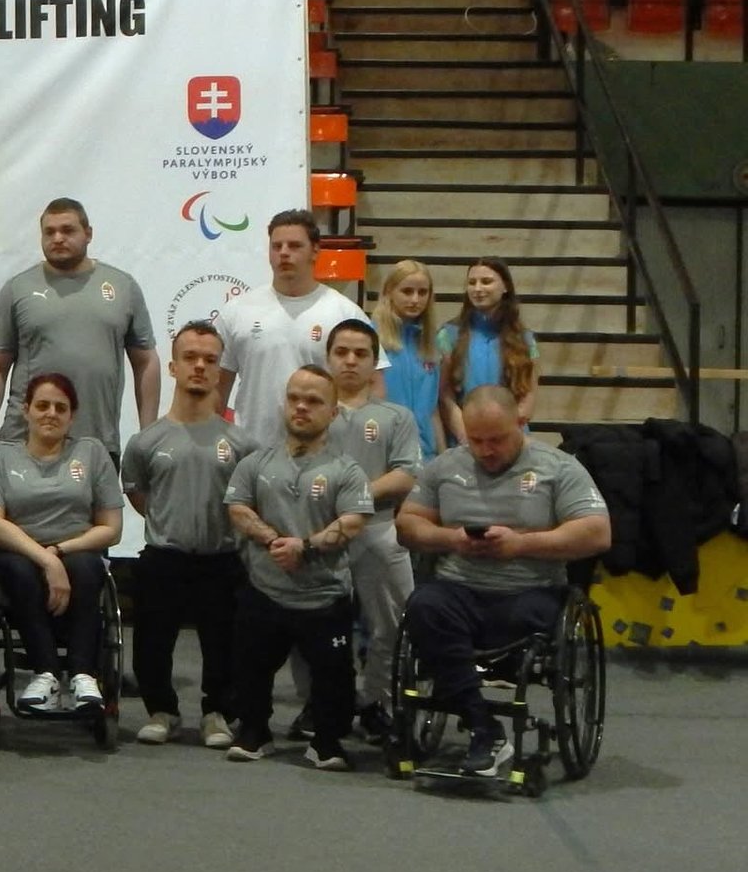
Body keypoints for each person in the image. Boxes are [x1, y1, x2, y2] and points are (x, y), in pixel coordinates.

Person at [396, 385, 610, 777]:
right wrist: (451, 538)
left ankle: (477, 718)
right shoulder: (444, 467)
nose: (486, 450)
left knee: (524, 616)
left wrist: (521, 544)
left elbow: (597, 532)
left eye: (496, 439)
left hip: (529, 592)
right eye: (476, 440)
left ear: (520, 424)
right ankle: (485, 728)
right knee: (423, 606)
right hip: (459, 590)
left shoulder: (558, 467)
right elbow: (407, 525)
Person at [222, 367, 373, 769]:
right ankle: (254, 731)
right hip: (266, 589)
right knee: (249, 667)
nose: (301, 407)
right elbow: (237, 507)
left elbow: (353, 521)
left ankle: (326, 741)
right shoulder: (256, 463)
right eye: (294, 398)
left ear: (333, 412)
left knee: (334, 678)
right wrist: (272, 539)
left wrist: (304, 547)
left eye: (313, 401)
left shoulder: (347, 471)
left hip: (324, 596)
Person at [120, 322, 259, 749]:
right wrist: (170, 519)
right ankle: (162, 711)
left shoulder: (242, 444)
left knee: (223, 643)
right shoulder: (145, 442)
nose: (200, 366)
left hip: (221, 557)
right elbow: (138, 494)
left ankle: (217, 713)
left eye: (210, 360)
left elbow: (248, 502)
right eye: (190, 358)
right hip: (165, 556)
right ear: (173, 367)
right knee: (152, 642)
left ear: (219, 371)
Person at [0, 371, 122, 716]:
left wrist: (60, 552)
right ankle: (46, 674)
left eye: (60, 407)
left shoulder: (92, 452)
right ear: (26, 410)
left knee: (88, 566)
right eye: (42, 405)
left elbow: (111, 528)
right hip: (12, 552)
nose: (51, 413)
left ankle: (83, 676)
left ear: (72, 415)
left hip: (74, 550)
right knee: (20, 570)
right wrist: (47, 560)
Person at [0, 195, 160, 458]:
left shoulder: (123, 287)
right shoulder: (18, 289)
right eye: (49, 232)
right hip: (24, 442)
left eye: (67, 230)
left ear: (88, 234)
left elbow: (146, 362)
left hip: (97, 443)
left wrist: (148, 437)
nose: (58, 238)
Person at [323, 318, 421, 742]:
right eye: (341, 352)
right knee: (319, 625)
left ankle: (377, 701)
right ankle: (323, 703)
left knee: (394, 623)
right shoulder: (309, 410)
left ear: (373, 361)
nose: (350, 361)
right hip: (321, 531)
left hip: (380, 529)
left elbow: (405, 475)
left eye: (360, 354)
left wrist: (353, 498)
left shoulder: (396, 417)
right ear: (327, 358)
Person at [216, 208, 385, 448]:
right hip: (253, 452)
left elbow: (374, 385)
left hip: (325, 455)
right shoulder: (237, 311)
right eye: (277, 246)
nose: (284, 253)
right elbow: (217, 390)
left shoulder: (345, 313)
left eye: (294, 246)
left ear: (315, 251)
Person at [437, 258, 539, 443]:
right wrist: (466, 435)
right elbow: (445, 396)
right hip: (465, 440)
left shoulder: (525, 339)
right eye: (472, 282)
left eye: (486, 281)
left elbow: (529, 394)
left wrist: (505, 435)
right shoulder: (448, 335)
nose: (477, 288)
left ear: (505, 286)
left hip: (511, 438)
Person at [370, 259, 442, 456]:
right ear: (389, 292)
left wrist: (442, 455)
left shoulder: (431, 343)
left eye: (422, 292)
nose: (415, 299)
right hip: (385, 451)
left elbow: (433, 409)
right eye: (407, 291)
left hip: (426, 454)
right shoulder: (370, 338)